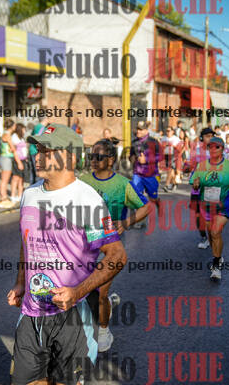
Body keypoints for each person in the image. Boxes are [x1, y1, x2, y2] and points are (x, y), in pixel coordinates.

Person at [8, 124, 127, 384]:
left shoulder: (88, 200)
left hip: (72, 314)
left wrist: (78, 291)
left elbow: (116, 255)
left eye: (47, 151)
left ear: (70, 157)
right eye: (38, 149)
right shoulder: (29, 194)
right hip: (32, 311)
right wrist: (20, 282)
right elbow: (26, 243)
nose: (38, 156)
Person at [80, 138, 150, 352]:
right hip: (85, 243)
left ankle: (103, 331)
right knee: (86, 291)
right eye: (91, 156)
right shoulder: (82, 181)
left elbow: (145, 207)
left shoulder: (122, 184)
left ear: (111, 160)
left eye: (98, 156)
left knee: (100, 290)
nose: (93, 160)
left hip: (111, 245)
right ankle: (106, 304)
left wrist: (126, 222)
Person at [190, 137, 229, 281]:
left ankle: (216, 266)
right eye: (211, 147)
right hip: (206, 205)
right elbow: (194, 182)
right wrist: (195, 184)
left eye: (217, 147)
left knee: (215, 231)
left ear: (222, 149)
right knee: (211, 234)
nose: (213, 149)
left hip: (224, 205)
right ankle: (218, 256)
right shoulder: (201, 166)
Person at [190, 127, 215, 249]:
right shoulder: (196, 151)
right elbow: (191, 167)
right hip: (197, 189)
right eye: (207, 136)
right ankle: (204, 236)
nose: (210, 138)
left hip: (211, 188)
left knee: (210, 216)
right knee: (198, 215)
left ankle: (212, 238)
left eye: (212, 136)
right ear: (201, 138)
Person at [130, 121, 161, 210]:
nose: (138, 131)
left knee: (152, 198)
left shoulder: (154, 142)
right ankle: (141, 214)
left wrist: (146, 160)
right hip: (137, 174)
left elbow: (160, 157)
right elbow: (131, 156)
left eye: (140, 129)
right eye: (137, 129)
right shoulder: (134, 142)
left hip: (151, 174)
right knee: (136, 196)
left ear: (146, 130)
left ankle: (157, 202)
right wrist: (132, 159)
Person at [0, 119, 19, 209]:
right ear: (12, 126)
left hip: (4, 158)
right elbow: (12, 148)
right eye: (14, 125)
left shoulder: (5, 133)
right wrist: (14, 148)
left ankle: (4, 197)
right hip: (6, 158)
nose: (15, 127)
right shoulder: (7, 135)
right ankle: (3, 198)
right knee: (5, 180)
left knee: (5, 179)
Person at [10, 123, 28, 204]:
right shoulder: (14, 137)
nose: (24, 131)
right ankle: (13, 196)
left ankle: (20, 196)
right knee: (15, 178)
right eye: (23, 129)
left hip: (23, 160)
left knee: (21, 179)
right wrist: (19, 162)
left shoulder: (21, 138)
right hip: (18, 160)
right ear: (20, 129)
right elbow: (14, 151)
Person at [28, 117, 49, 183]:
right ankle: (37, 186)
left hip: (33, 150)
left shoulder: (37, 126)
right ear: (45, 119)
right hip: (36, 151)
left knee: (33, 172)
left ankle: (32, 186)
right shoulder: (41, 128)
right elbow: (38, 140)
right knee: (39, 172)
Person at [162, 126, 180, 192]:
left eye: (169, 131)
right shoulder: (164, 138)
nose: (167, 132)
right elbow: (161, 146)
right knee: (170, 170)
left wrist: (173, 145)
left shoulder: (176, 138)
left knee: (170, 169)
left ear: (172, 131)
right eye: (166, 131)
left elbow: (179, 147)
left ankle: (166, 185)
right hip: (166, 155)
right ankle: (174, 183)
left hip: (173, 155)